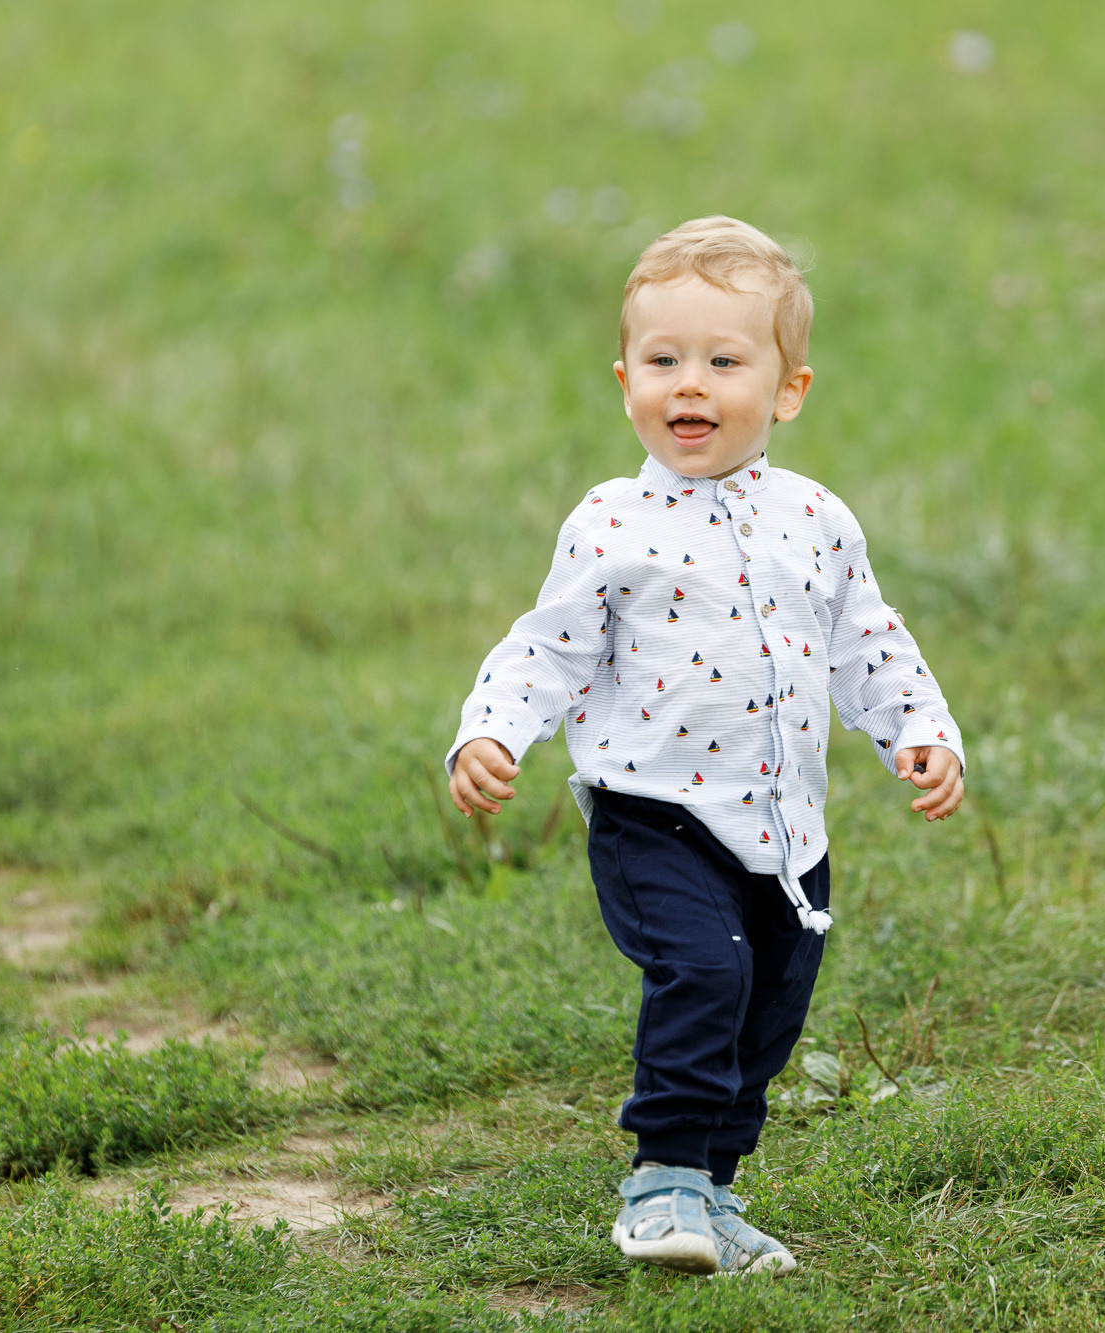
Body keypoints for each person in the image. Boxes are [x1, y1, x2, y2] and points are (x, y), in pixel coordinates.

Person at [446, 216, 965, 1276]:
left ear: (787, 390)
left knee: (771, 1006)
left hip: (785, 827)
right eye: (661, 360)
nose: (689, 384)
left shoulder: (815, 519)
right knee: (703, 969)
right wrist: (491, 728)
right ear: (624, 378)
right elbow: (543, 647)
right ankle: (660, 1183)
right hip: (654, 814)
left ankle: (714, 1192)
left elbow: (866, 638)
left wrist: (917, 726)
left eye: (723, 361)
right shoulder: (609, 524)